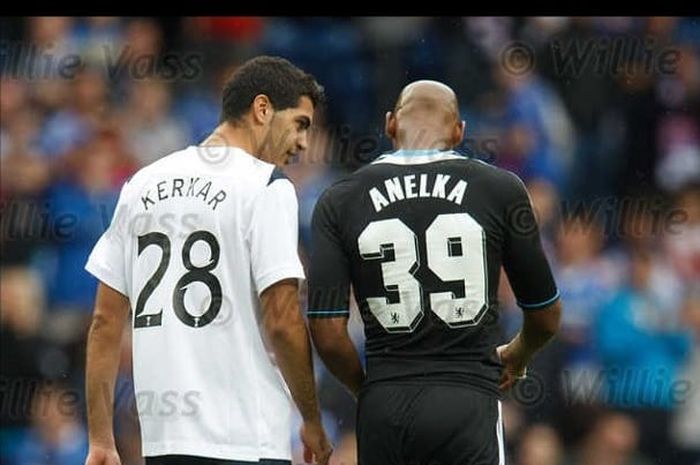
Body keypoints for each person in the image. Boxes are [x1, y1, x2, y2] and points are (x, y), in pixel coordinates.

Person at [84, 56, 333, 465]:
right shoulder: (266, 186)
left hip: (164, 446)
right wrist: (310, 417)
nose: (304, 142)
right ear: (263, 109)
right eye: (300, 124)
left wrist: (100, 440)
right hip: (246, 442)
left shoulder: (141, 184)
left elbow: (105, 321)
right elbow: (283, 320)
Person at [307, 80, 562, 465]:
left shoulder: (339, 199)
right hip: (468, 399)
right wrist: (517, 354)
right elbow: (545, 314)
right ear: (459, 132)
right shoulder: (501, 188)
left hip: (386, 404)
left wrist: (369, 387)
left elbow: (326, 332)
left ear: (391, 124)